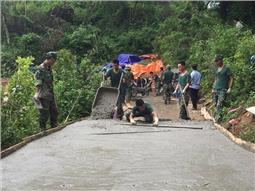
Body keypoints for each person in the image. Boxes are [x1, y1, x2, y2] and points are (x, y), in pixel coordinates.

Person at [34, 51, 58, 132]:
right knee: (44, 113)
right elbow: (38, 82)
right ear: (50, 59)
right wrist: (37, 94)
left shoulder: (49, 68)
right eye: (54, 61)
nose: (54, 62)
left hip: (50, 94)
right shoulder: (41, 69)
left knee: (54, 111)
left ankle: (54, 127)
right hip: (43, 94)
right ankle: (42, 129)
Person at [212, 54, 233, 122]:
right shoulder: (217, 69)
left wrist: (229, 88)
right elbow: (216, 79)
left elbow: (231, 78)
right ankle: (221, 116)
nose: (216, 62)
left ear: (221, 60)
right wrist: (213, 87)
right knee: (215, 104)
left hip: (222, 89)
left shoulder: (226, 68)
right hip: (216, 89)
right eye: (215, 61)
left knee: (219, 104)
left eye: (217, 61)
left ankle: (218, 119)